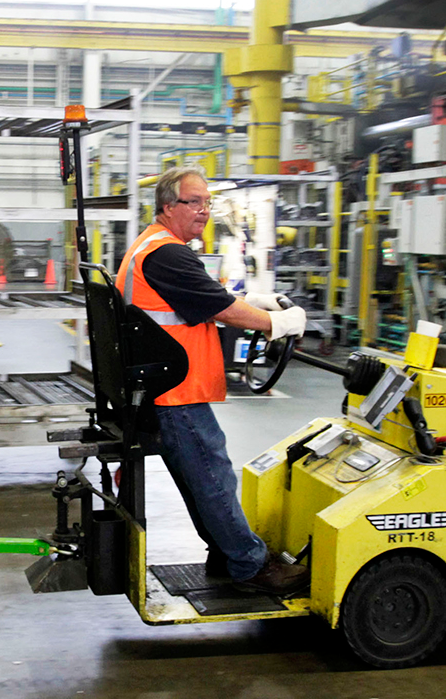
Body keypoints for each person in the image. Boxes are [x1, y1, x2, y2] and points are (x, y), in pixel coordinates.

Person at [114, 166, 310, 595]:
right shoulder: (167, 253)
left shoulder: (153, 248)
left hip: (158, 387)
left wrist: (254, 300)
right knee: (213, 476)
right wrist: (277, 323)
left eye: (207, 202)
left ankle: (226, 553)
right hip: (176, 391)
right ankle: (252, 565)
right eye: (195, 202)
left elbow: (204, 297)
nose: (204, 211)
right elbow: (222, 309)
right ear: (169, 206)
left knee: (200, 479)